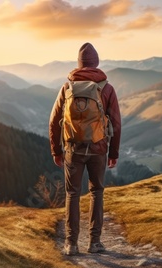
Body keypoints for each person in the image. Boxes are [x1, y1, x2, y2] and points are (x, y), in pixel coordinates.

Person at [49, 42, 121, 256]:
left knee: (72, 193)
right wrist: (114, 153)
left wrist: (57, 150)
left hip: (72, 148)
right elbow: (116, 123)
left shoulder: (67, 87)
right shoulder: (106, 88)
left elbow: (54, 120)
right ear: (96, 63)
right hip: (98, 148)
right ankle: (95, 242)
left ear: (79, 64)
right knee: (96, 192)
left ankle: (71, 243)